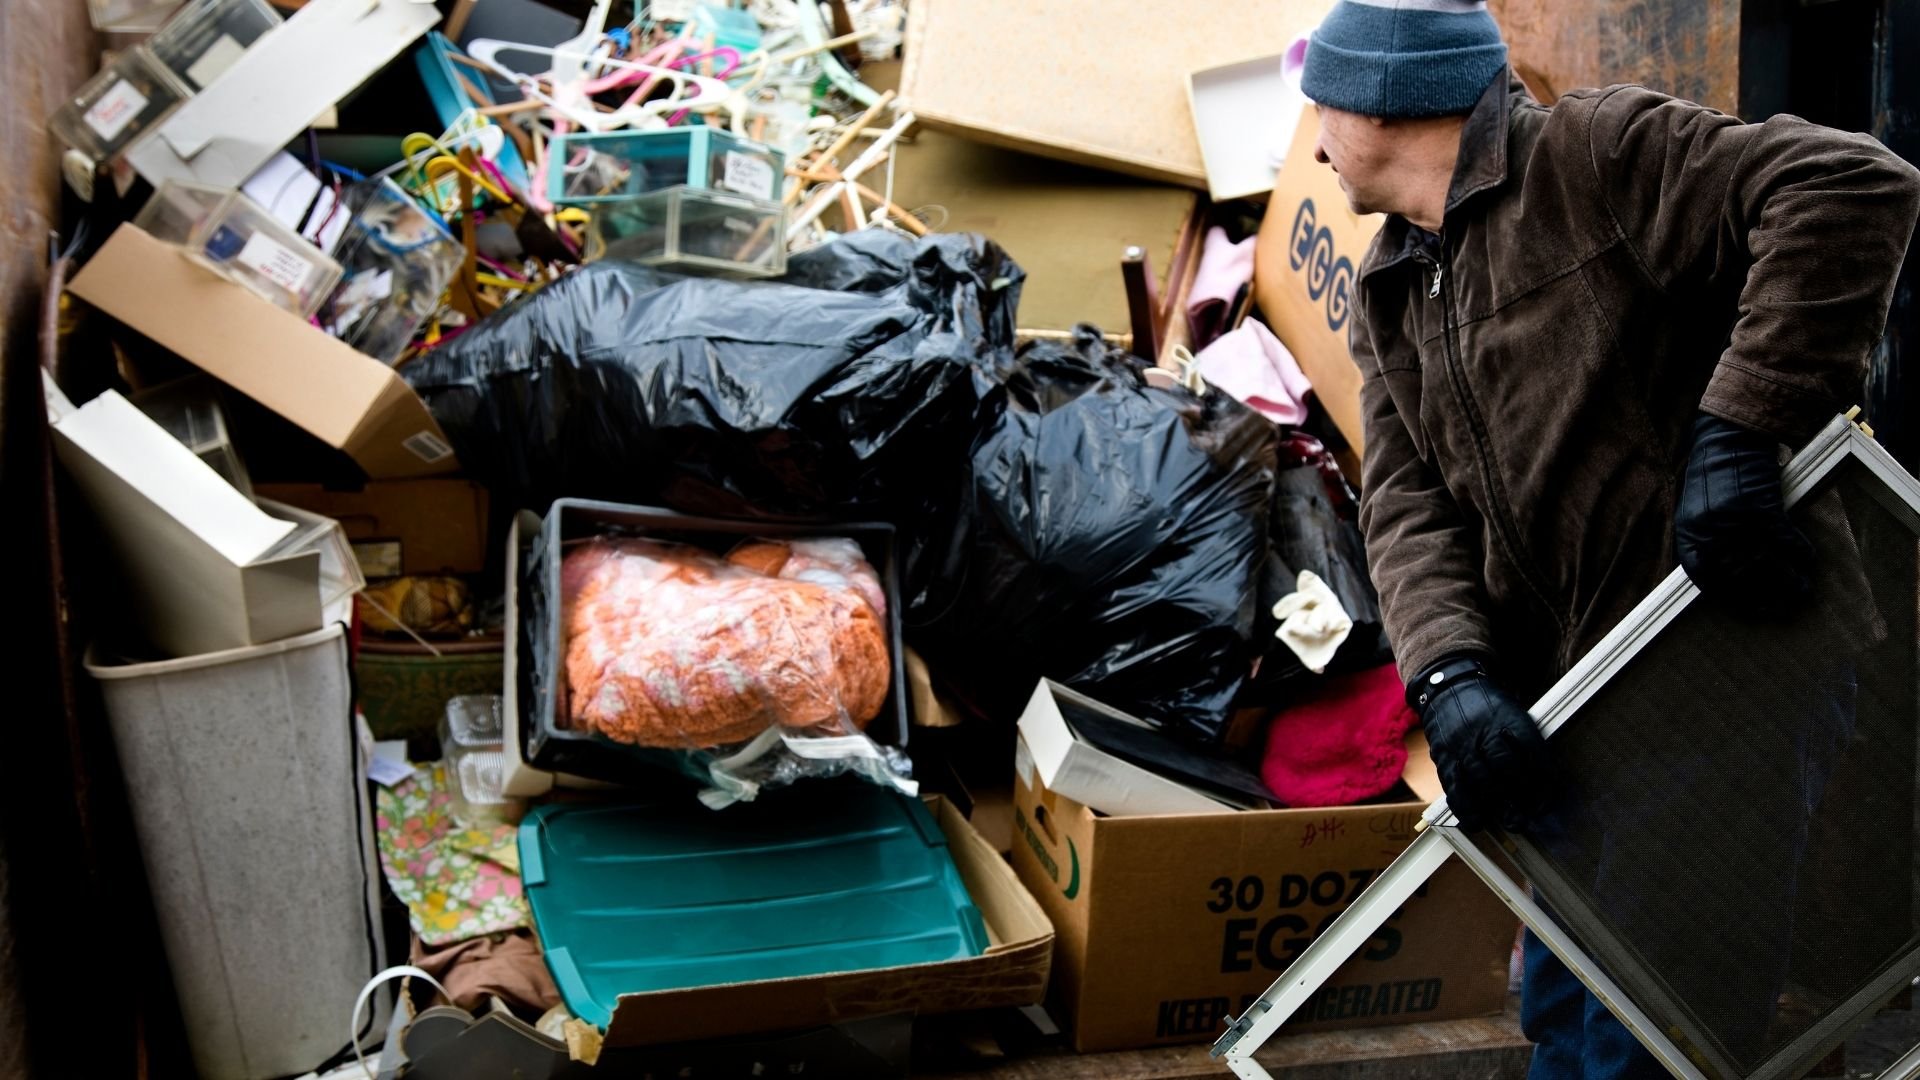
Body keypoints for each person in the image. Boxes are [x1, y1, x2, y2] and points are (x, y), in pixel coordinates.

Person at [1297, 1, 1920, 1076]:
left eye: (1320, 104)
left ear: (1383, 102)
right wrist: (1450, 678)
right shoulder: (1390, 288)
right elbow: (1405, 506)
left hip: (1716, 679)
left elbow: (1852, 186)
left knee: (1652, 1036)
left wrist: (1739, 427)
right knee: (1566, 1017)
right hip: (1570, 715)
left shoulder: (1596, 154)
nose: (1309, 139)